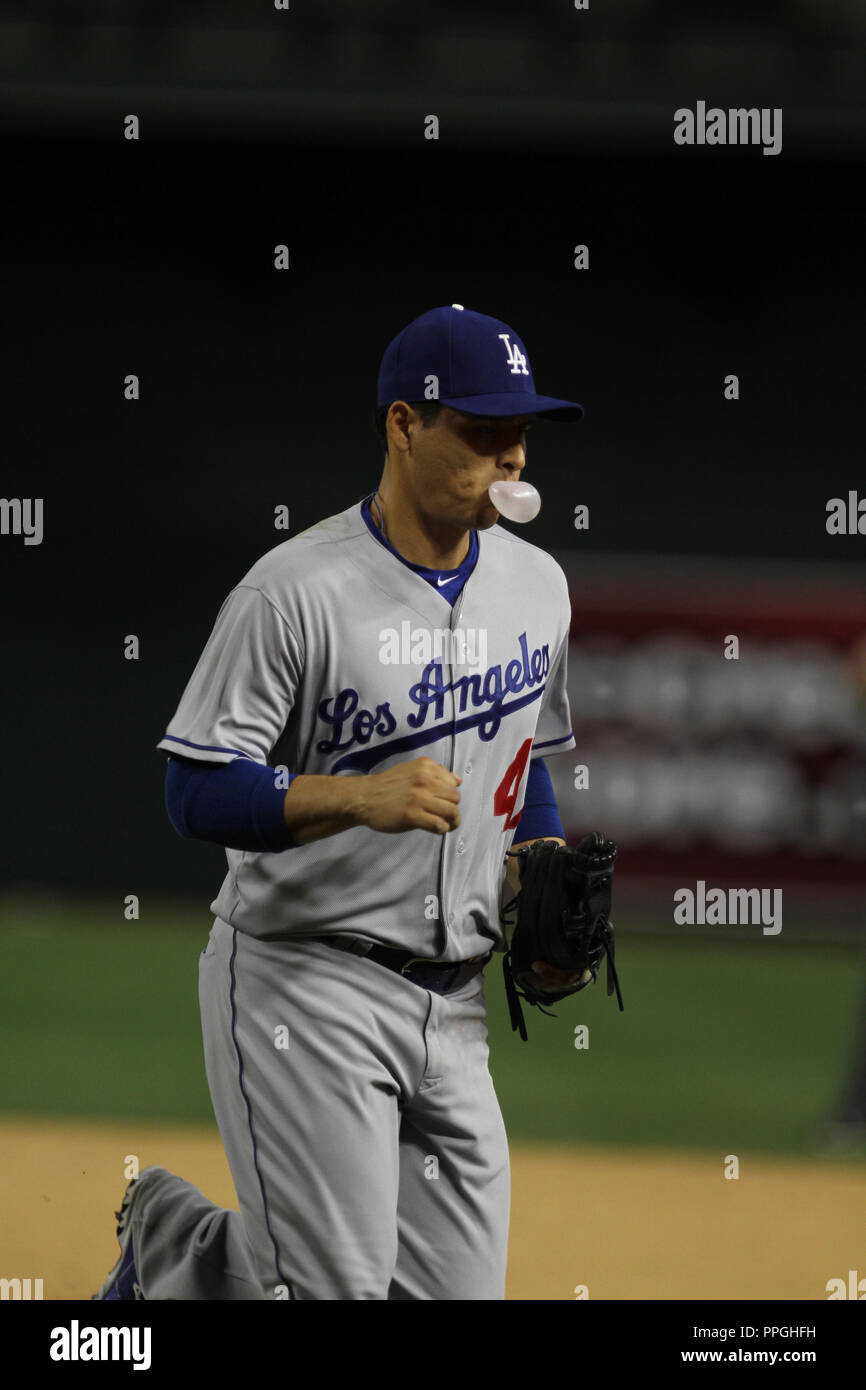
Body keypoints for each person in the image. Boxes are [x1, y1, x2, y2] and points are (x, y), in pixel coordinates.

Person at [94, 303, 585, 1300]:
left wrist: (541, 853)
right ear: (404, 425)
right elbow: (194, 786)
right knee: (335, 1292)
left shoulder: (538, 587)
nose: (511, 455)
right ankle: (184, 1247)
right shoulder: (295, 592)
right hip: (304, 983)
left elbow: (523, 758)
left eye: (520, 432)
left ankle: (179, 1254)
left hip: (451, 1008)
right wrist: (357, 796)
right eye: (483, 431)